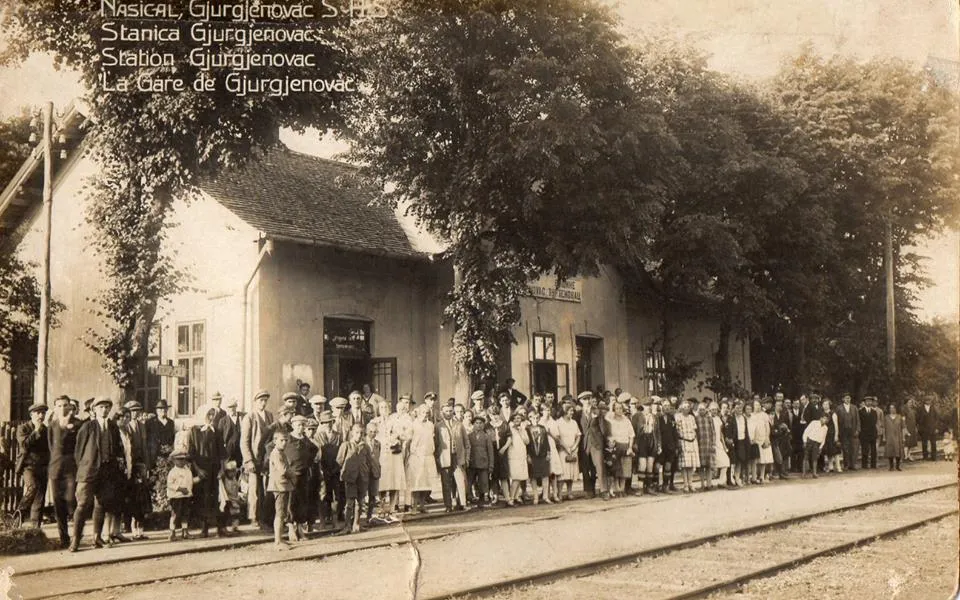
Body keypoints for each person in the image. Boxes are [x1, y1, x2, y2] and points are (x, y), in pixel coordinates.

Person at [71, 397, 123, 552]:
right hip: (88, 472)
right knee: (82, 504)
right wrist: (86, 466)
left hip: (106, 473)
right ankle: (76, 540)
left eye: (107, 407)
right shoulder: (88, 427)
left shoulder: (113, 427)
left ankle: (97, 537)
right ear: (94, 409)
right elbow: (78, 452)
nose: (104, 410)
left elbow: (116, 449)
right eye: (101, 407)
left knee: (101, 504)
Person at [189, 403, 226, 538]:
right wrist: (198, 470)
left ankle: (219, 528)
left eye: (212, 415)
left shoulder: (216, 431)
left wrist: (222, 469)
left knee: (216, 498)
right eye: (208, 414)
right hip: (202, 471)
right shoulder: (194, 431)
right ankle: (204, 529)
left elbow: (222, 453)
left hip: (214, 471)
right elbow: (191, 454)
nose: (210, 417)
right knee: (202, 499)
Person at [48, 395, 81, 548]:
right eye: (59, 406)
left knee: (71, 502)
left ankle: (76, 537)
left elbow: (78, 447)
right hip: (55, 469)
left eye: (65, 405)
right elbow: (52, 448)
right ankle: (64, 538)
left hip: (71, 469)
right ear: (55, 408)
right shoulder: (52, 425)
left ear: (70, 407)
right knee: (58, 505)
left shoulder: (78, 424)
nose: (62, 408)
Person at [240, 389, 275, 530]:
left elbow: (272, 438)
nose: (263, 403)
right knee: (254, 490)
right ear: (255, 402)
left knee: (266, 489)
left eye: (265, 400)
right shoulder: (249, 417)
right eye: (261, 400)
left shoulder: (270, 416)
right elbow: (244, 441)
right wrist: (248, 460)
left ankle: (265, 518)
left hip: (266, 459)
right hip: (254, 459)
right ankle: (253, 517)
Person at [376, 395, 411, 523]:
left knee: (394, 482)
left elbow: (405, 435)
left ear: (389, 409)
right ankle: (381, 508)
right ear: (379, 409)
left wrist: (396, 436)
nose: (384, 409)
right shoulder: (375, 422)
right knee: (382, 483)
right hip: (382, 456)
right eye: (382, 407)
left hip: (394, 455)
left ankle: (392, 508)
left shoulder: (395, 421)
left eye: (386, 407)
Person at [337, 424, 376, 535]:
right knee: (349, 502)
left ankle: (356, 524)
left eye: (362, 433)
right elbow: (339, 461)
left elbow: (369, 462)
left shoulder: (366, 447)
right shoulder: (346, 445)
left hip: (362, 478)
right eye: (357, 432)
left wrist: (365, 472)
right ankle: (347, 526)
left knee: (360, 502)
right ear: (352, 433)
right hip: (350, 478)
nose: (359, 435)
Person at [17, 403, 50, 529]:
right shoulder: (23, 428)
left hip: (43, 466)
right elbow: (25, 445)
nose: (41, 416)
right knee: (32, 487)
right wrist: (36, 430)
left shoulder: (46, 430)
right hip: (28, 466)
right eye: (38, 413)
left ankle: (36, 526)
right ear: (31, 414)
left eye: (43, 413)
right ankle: (19, 514)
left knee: (40, 496)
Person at [284, 415, 315, 540]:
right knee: (291, 501)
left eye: (303, 425)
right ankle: (291, 528)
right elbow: (272, 447)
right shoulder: (288, 438)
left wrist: (309, 463)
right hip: (291, 475)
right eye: (298, 425)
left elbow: (314, 450)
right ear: (293, 425)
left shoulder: (306, 439)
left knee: (302, 502)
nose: (301, 427)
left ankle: (300, 529)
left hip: (304, 474)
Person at [435, 404, 469, 512]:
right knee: (446, 482)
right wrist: (437, 459)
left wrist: (466, 457)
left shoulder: (459, 425)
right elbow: (436, 444)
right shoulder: (438, 426)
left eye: (450, 411)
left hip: (457, 456)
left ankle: (462, 503)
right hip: (445, 457)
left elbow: (466, 443)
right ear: (442, 412)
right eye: (446, 411)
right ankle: (448, 506)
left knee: (461, 481)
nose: (448, 413)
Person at [314, 409, 344, 528]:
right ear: (322, 424)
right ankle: (322, 521)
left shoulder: (338, 436)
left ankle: (335, 520)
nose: (328, 425)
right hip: (322, 469)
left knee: (336, 495)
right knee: (323, 495)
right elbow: (316, 454)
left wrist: (338, 467)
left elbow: (341, 453)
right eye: (325, 423)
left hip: (335, 469)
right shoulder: (318, 436)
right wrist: (321, 469)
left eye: (330, 422)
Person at [406, 404, 439, 513]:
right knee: (416, 483)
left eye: (427, 413)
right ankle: (414, 506)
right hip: (416, 457)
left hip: (428, 456)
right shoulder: (413, 424)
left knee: (427, 482)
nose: (425, 415)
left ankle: (422, 505)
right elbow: (408, 441)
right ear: (419, 413)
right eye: (423, 412)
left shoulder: (430, 425)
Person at [266, 430, 293, 548]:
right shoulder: (276, 454)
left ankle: (280, 538)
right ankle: (277, 541)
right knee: (280, 513)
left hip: (284, 486)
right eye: (281, 440)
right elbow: (283, 470)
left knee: (282, 513)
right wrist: (294, 475)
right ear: (275, 441)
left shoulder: (281, 452)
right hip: (279, 486)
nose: (284, 442)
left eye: (286, 440)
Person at [580, 392, 608, 499]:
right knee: (586, 467)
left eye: (588, 398)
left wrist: (604, 441)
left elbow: (603, 428)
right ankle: (589, 490)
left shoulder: (597, 412)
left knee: (600, 466)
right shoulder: (579, 413)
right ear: (581, 401)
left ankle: (603, 490)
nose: (587, 401)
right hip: (585, 443)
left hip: (596, 442)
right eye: (585, 399)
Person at [166, 450, 199, 540]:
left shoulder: (187, 470)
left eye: (183, 459)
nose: (182, 461)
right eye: (179, 459)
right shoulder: (173, 472)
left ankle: (185, 531)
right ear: (174, 460)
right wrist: (180, 489)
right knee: (175, 515)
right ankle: (172, 533)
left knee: (185, 514)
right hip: (176, 497)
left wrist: (199, 478)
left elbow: (190, 481)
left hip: (186, 496)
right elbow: (170, 484)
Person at [605, 400, 634, 497]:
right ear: (613, 409)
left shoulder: (626, 420)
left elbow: (631, 435)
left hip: (625, 445)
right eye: (616, 408)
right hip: (615, 446)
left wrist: (630, 447)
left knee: (625, 468)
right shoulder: (610, 420)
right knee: (616, 468)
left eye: (620, 408)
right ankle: (617, 489)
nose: (619, 410)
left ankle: (622, 488)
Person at [502, 411, 530, 506]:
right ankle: (511, 498)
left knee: (520, 477)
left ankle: (515, 497)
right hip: (513, 456)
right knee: (516, 478)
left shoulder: (522, 429)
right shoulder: (509, 428)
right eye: (515, 418)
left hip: (522, 456)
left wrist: (521, 431)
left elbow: (527, 441)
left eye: (519, 418)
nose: (517, 420)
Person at [466, 414, 494, 508]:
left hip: (483, 462)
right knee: (470, 481)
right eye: (476, 423)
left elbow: (490, 451)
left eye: (480, 423)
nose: (478, 425)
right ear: (473, 424)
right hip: (472, 463)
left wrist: (491, 465)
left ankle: (483, 497)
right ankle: (469, 496)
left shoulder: (486, 436)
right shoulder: (469, 436)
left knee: (484, 481)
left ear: (483, 425)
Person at [526, 410, 551, 504]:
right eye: (533, 418)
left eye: (537, 418)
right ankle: (535, 497)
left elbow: (547, 442)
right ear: (530, 418)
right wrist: (528, 455)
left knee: (545, 475)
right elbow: (527, 445)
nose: (535, 420)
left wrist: (548, 453)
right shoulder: (527, 429)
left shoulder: (542, 428)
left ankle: (545, 496)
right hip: (533, 456)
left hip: (543, 455)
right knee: (533, 477)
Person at [675, 400, 700, 493]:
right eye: (684, 407)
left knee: (691, 465)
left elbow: (695, 429)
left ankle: (691, 483)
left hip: (692, 441)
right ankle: (685, 484)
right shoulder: (678, 417)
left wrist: (694, 438)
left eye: (688, 407)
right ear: (681, 408)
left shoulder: (691, 417)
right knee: (685, 465)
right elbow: (677, 430)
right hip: (683, 441)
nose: (686, 409)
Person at [488, 405, 511, 504]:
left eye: (497, 414)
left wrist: (504, 448)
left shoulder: (504, 424)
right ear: (489, 415)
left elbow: (509, 438)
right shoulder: (487, 426)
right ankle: (495, 496)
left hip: (502, 453)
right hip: (492, 453)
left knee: (504, 476)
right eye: (493, 415)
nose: (495, 417)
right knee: (494, 476)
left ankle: (507, 497)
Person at [724, 402, 750, 487]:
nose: (739, 410)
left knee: (740, 460)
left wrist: (747, 441)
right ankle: (730, 479)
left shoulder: (744, 418)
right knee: (733, 461)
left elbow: (746, 431)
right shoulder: (730, 418)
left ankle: (737, 477)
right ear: (734, 408)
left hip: (742, 441)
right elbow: (727, 431)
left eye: (740, 408)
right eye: (737, 408)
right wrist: (729, 439)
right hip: (734, 442)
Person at [146, 399, 176, 470]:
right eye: (160, 409)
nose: (163, 410)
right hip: (155, 455)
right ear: (156, 410)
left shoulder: (171, 423)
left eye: (165, 408)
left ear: (167, 410)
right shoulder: (150, 422)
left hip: (168, 456)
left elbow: (172, 438)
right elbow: (147, 440)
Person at [750, 400, 773, 484]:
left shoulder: (764, 415)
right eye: (756, 405)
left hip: (763, 438)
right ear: (753, 406)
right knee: (755, 460)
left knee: (763, 459)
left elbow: (767, 428)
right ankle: (754, 476)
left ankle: (762, 476)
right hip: (754, 439)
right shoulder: (751, 415)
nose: (757, 407)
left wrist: (767, 438)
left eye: (759, 405)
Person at [836, 393, 860, 472]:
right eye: (846, 398)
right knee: (845, 448)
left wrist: (857, 430)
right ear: (843, 399)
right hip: (843, 431)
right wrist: (838, 432)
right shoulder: (839, 408)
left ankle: (852, 465)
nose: (848, 399)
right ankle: (846, 465)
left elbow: (857, 420)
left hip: (852, 430)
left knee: (852, 448)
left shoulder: (854, 408)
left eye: (849, 398)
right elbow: (837, 421)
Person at [694, 402, 715, 491]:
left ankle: (709, 484)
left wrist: (713, 443)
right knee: (702, 466)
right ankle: (702, 484)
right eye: (700, 409)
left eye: (703, 409)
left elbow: (713, 431)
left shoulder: (709, 418)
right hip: (700, 445)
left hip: (708, 444)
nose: (702, 411)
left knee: (709, 466)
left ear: (706, 410)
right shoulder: (696, 418)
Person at [364, 422, 382, 523]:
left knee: (373, 495)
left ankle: (369, 517)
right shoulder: (362, 441)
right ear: (367, 431)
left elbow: (377, 457)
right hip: (364, 472)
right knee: (362, 495)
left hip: (374, 472)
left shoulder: (378, 443)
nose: (372, 434)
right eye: (371, 431)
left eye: (375, 432)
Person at [218, 398, 243, 466]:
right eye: (229, 407)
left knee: (239, 468)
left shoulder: (242, 417)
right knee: (228, 469)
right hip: (228, 450)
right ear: (227, 408)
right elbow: (219, 437)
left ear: (236, 407)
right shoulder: (223, 421)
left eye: (233, 407)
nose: (231, 409)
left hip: (240, 448)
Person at [883, 403, 907, 470]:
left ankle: (897, 466)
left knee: (898, 450)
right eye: (890, 408)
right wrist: (884, 437)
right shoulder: (886, 417)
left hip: (898, 436)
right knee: (890, 450)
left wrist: (903, 437)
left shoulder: (899, 417)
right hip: (889, 436)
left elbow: (903, 427)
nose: (892, 409)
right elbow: (884, 428)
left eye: (893, 408)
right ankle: (891, 466)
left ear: (896, 409)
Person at [859, 396, 880, 469]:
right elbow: (860, 423)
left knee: (873, 450)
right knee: (865, 450)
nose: (869, 402)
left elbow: (874, 422)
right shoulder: (860, 411)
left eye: (870, 401)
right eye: (867, 401)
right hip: (864, 433)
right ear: (864, 402)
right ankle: (864, 465)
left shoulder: (874, 412)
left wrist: (875, 432)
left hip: (872, 433)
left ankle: (873, 465)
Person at [917, 396, 938, 461]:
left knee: (933, 443)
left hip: (932, 428)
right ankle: (925, 456)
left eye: (929, 400)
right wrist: (920, 426)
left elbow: (937, 418)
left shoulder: (933, 408)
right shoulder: (920, 409)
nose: (928, 402)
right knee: (924, 443)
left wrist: (936, 427)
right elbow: (917, 418)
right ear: (924, 401)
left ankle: (933, 457)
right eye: (927, 400)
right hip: (924, 428)